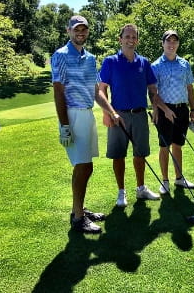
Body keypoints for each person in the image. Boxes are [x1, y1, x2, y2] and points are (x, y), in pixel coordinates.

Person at [52, 15, 120, 234]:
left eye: (84, 29)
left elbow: (96, 91)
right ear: (68, 31)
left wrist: (111, 111)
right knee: (82, 166)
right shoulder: (60, 55)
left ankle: (78, 209)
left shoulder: (90, 58)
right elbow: (58, 91)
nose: (80, 33)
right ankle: (78, 218)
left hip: (87, 114)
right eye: (76, 29)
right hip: (72, 115)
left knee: (87, 165)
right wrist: (64, 125)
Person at [98, 24, 168, 207]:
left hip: (139, 115)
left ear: (137, 40)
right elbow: (102, 89)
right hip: (117, 115)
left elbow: (152, 89)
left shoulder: (144, 63)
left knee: (140, 154)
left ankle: (141, 188)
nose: (130, 40)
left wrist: (156, 108)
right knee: (118, 155)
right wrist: (107, 112)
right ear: (120, 39)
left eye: (134, 37)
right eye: (127, 36)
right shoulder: (110, 61)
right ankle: (121, 192)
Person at [151, 30, 194, 194]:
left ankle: (179, 179)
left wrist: (193, 110)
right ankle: (164, 181)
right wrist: (160, 110)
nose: (171, 44)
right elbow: (153, 93)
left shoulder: (185, 64)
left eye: (174, 41)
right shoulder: (156, 65)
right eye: (168, 41)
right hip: (165, 110)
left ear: (178, 44)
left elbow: (190, 88)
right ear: (163, 44)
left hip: (182, 110)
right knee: (165, 146)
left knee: (178, 145)